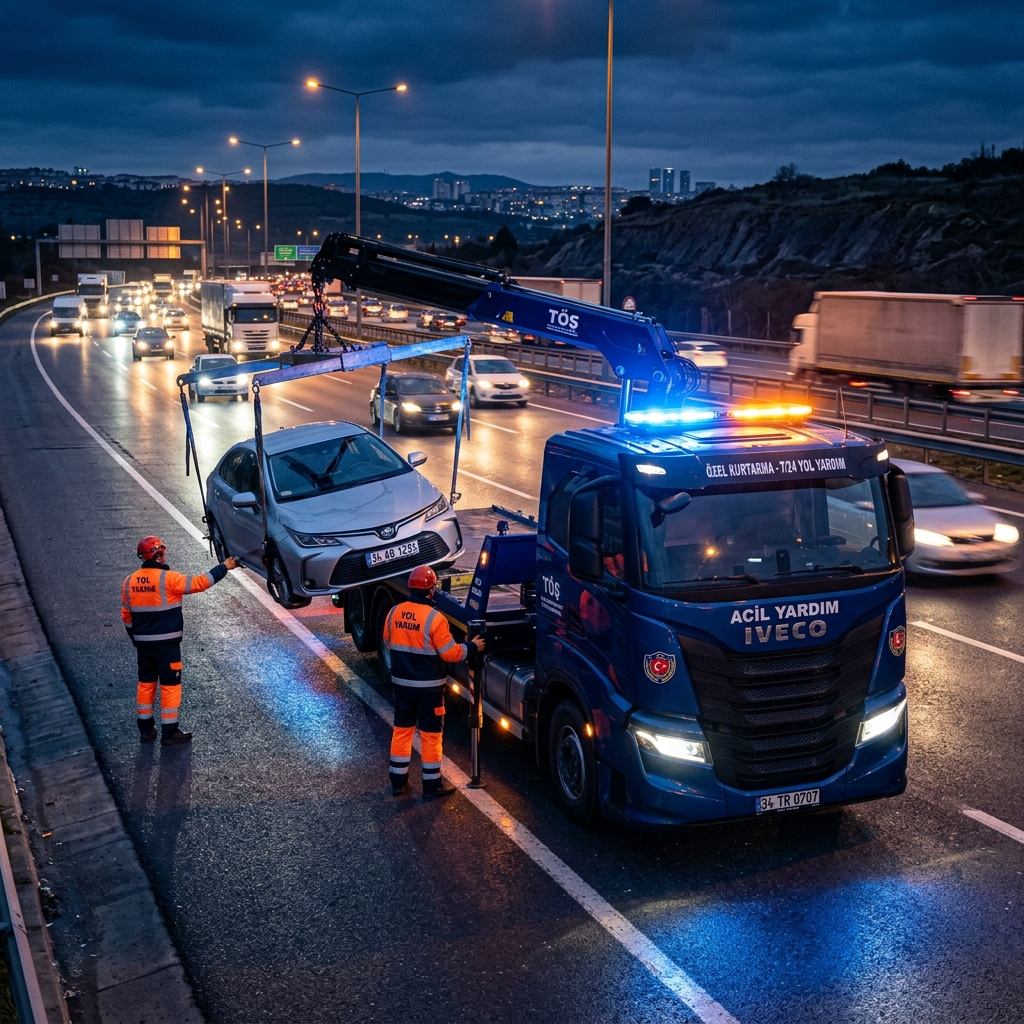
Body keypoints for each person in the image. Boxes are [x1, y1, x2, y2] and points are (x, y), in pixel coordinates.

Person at [121, 535, 239, 746]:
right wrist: (225, 566)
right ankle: (170, 733)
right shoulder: (169, 579)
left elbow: (126, 616)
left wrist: (136, 639)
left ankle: (146, 730)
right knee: (170, 687)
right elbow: (201, 583)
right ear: (158, 555)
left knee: (146, 685)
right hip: (167, 648)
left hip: (144, 647)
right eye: (163, 553)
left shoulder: (129, 581)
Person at [383, 565, 485, 800]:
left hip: (401, 686)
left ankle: (398, 782)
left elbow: (389, 643)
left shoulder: (394, 612)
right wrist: (472, 647)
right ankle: (431, 785)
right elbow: (451, 654)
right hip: (429, 690)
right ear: (430, 591)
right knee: (430, 735)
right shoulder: (435, 618)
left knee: (402, 732)